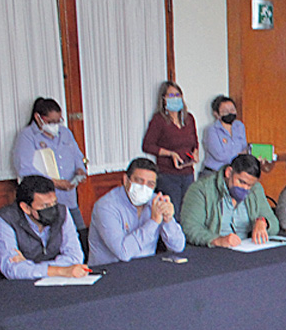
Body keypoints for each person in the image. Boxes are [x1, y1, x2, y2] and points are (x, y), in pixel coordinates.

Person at [0, 175, 87, 279]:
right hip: (20, 286)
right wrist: (61, 270)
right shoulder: (4, 220)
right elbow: (11, 269)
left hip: (59, 281)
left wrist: (29, 266)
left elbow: (76, 257)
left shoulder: (62, 212)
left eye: (54, 203)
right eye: (45, 206)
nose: (52, 209)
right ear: (26, 208)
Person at [88, 158, 185, 265]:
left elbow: (178, 246)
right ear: (126, 180)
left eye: (150, 184)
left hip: (146, 267)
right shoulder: (106, 206)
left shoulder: (155, 201)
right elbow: (123, 253)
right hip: (110, 270)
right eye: (139, 181)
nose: (144, 187)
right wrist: (153, 222)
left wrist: (168, 220)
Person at [13, 98, 88, 227]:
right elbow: (24, 169)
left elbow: (77, 155)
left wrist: (80, 169)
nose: (55, 125)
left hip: (69, 198)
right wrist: (55, 183)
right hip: (45, 202)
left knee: (80, 232)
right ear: (38, 118)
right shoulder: (27, 136)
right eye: (51, 122)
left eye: (58, 121)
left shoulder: (65, 133)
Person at [179, 154, 278, 248]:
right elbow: (189, 228)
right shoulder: (202, 189)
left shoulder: (255, 190)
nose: (245, 188)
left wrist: (263, 222)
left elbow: (274, 224)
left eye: (250, 185)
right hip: (214, 251)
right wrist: (217, 240)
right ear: (229, 173)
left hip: (247, 249)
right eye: (241, 182)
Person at [142, 81, 199, 216]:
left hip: (187, 173)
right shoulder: (159, 120)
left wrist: (196, 153)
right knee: (173, 212)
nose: (175, 98)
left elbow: (194, 142)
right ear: (164, 98)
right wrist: (170, 154)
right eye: (171, 95)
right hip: (168, 175)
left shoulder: (189, 119)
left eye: (177, 95)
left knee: (188, 211)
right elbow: (147, 145)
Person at [201, 95, 248, 177]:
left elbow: (244, 147)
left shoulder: (239, 126)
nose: (230, 113)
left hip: (233, 173)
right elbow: (220, 155)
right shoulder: (211, 130)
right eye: (225, 111)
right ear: (216, 114)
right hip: (213, 173)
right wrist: (240, 156)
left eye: (232, 110)